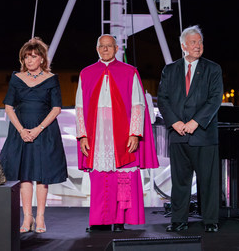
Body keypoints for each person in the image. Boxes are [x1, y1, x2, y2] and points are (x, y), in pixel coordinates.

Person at [76, 35, 159, 232]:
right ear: (97, 49)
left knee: (123, 178)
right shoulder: (86, 73)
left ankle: (119, 220)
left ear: (116, 49)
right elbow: (80, 106)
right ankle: (100, 220)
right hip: (96, 132)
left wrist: (134, 134)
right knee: (99, 177)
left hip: (122, 132)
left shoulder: (129, 71)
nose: (105, 49)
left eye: (109, 46)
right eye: (102, 46)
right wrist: (83, 135)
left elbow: (138, 105)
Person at [157, 25, 223, 233]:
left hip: (203, 134)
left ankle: (211, 220)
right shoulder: (170, 69)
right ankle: (178, 220)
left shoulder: (213, 69)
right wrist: (175, 122)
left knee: (209, 181)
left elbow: (214, 100)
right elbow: (163, 99)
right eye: (193, 42)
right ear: (184, 45)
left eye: (200, 42)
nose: (198, 46)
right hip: (178, 135)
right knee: (180, 181)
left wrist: (196, 122)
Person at [0, 37, 68, 233]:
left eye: (33, 56)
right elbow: (8, 106)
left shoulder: (52, 79)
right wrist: (21, 130)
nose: (29, 60)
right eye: (26, 57)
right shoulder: (16, 78)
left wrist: (38, 129)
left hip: (44, 131)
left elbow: (56, 108)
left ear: (42, 59)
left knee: (42, 175)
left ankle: (40, 218)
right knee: (25, 176)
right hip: (20, 131)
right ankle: (27, 217)